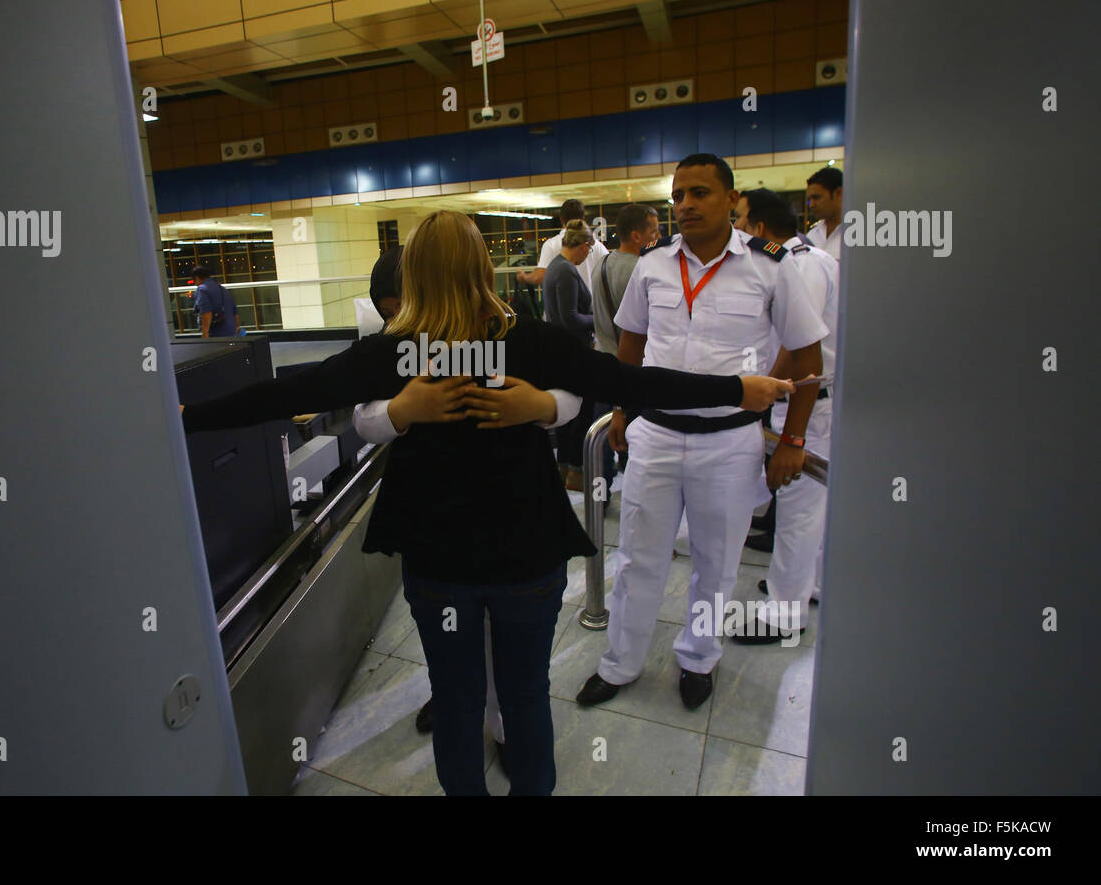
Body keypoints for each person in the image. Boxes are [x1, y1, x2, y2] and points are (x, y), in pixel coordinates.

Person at [179, 209, 795, 795]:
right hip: (526, 550)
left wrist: (186, 416)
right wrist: (740, 387)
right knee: (525, 695)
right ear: (482, 269)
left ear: (413, 275)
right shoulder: (531, 343)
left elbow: (289, 390)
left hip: (438, 558)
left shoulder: (398, 353)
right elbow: (634, 382)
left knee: (455, 696)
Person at [577, 153, 827, 712]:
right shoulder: (653, 264)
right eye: (678, 195)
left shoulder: (771, 265)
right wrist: (623, 408)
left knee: (717, 563)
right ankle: (621, 663)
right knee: (640, 556)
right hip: (657, 436)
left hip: (731, 442)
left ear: (731, 200)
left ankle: (698, 658)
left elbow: (808, 354)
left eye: (699, 193)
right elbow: (632, 346)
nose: (685, 204)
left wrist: (792, 440)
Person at [353, 245, 584, 763]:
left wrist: (541, 405)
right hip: (438, 522)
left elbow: (571, 393)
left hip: (512, 517)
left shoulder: (506, 331)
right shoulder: (391, 345)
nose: (403, 322)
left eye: (407, 310)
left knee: (514, 662)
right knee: (454, 642)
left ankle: (502, 726)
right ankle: (460, 697)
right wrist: (402, 410)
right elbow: (363, 418)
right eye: (392, 314)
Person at [733, 188, 837, 641]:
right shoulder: (808, 257)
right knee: (812, 507)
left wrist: (766, 392)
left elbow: (801, 351)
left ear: (758, 226)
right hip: (810, 401)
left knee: (796, 508)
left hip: (806, 403)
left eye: (738, 219)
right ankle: (808, 584)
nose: (735, 229)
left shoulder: (797, 264)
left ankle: (785, 611)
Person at [591, 204, 660, 485]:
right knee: (633, 437)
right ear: (636, 236)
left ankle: (600, 494)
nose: (658, 237)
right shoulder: (642, 270)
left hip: (601, 359)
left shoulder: (602, 263)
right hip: (631, 365)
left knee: (602, 438)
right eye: (654, 231)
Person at [542, 219, 597, 491]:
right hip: (573, 352)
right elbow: (570, 318)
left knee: (567, 420)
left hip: (561, 352)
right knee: (581, 414)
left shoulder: (555, 267)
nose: (588, 255)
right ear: (583, 245)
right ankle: (575, 471)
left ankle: (565, 468)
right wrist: (597, 319)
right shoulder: (565, 271)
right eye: (589, 249)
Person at [516, 199, 609, 297]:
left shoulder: (551, 245)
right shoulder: (596, 245)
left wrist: (524, 277)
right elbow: (609, 272)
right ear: (583, 218)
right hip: (589, 307)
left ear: (561, 219)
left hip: (559, 308)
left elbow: (539, 277)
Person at [805, 166, 844, 260]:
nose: (812, 205)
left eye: (816, 198)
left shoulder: (860, 234)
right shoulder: (811, 236)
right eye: (809, 200)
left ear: (838, 193)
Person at [191, 265, 240, 337]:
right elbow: (234, 311)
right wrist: (238, 327)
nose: (195, 284)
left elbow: (206, 312)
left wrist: (205, 333)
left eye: (194, 281)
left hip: (216, 332)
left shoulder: (202, 290)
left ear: (197, 278)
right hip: (231, 331)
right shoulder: (222, 288)